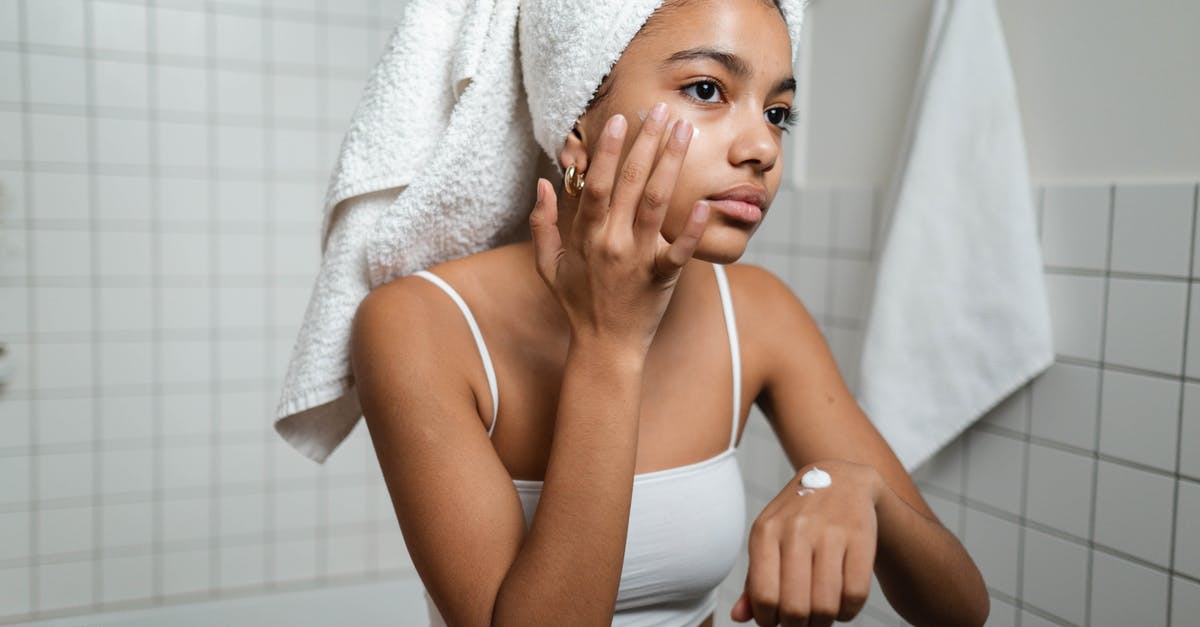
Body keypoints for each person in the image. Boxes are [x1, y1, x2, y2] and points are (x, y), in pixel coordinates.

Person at [350, 0, 990, 625]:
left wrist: (865, 490)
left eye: (777, 112)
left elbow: (962, 608)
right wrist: (610, 344)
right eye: (708, 89)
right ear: (578, 123)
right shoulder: (417, 326)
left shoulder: (760, 313)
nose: (762, 146)